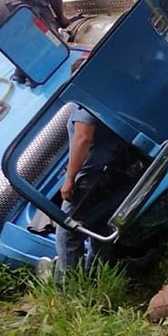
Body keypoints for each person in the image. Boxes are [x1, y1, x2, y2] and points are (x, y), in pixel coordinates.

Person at [54, 58, 124, 280]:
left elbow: (83, 138)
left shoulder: (85, 101)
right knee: (99, 229)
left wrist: (69, 178)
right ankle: (96, 281)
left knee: (67, 231)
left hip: (90, 175)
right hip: (110, 172)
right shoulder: (109, 96)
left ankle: (69, 287)